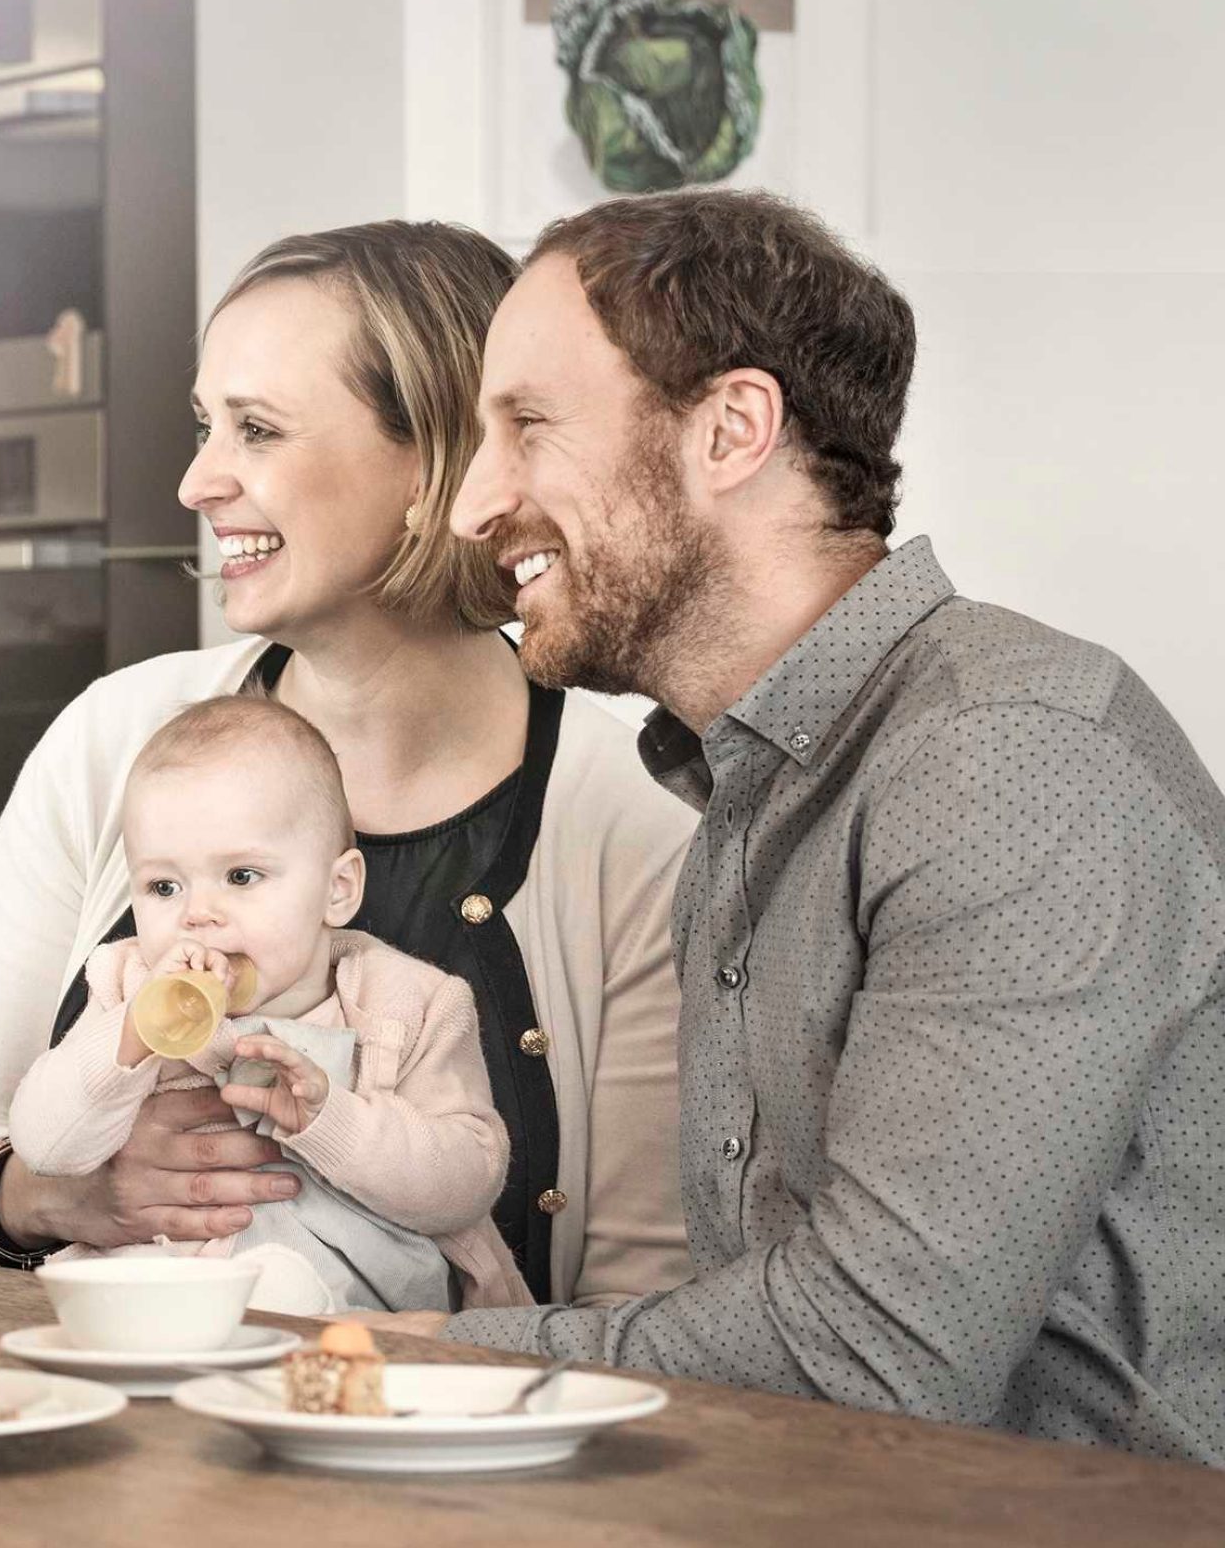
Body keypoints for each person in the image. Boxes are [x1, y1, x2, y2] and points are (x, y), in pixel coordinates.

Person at [433, 189, 1225, 1466]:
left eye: (526, 425)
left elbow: (877, 1353)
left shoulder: (1009, 753)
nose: (476, 505)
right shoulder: (750, 802)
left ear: (733, 429)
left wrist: (414, 1361)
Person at [0, 222, 692, 1311]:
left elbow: (642, 1298)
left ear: (436, 463)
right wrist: (59, 1198)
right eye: (205, 426)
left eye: (256, 430)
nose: (194, 482)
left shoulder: (628, 811)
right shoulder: (114, 738)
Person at [8, 696, 530, 1314]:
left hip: (351, 1305)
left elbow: (465, 1185)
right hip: (160, 1279)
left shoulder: (410, 1004)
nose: (196, 914)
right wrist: (129, 1036)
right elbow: (44, 1144)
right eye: (163, 887)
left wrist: (331, 1119)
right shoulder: (128, 986)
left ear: (337, 891)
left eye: (241, 877)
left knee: (283, 1294)